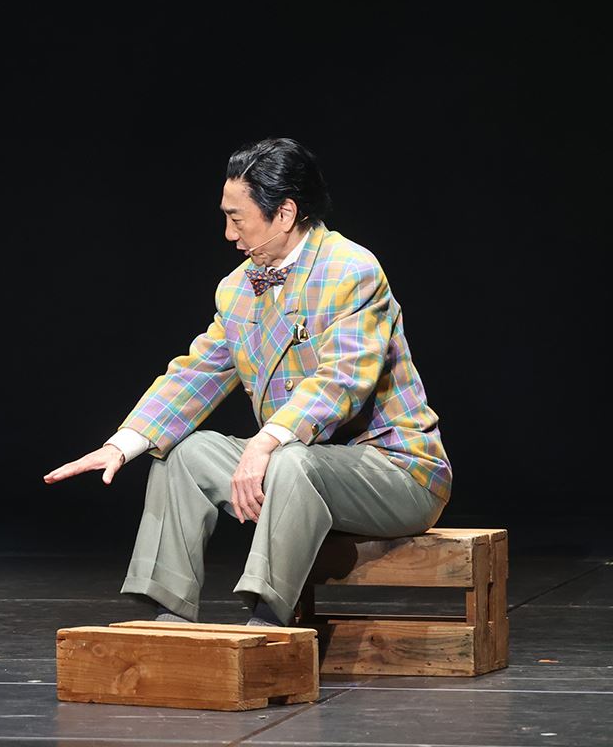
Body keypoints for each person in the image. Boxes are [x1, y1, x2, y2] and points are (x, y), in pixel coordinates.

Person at [45, 137, 450, 627]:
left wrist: (264, 444)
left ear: (284, 213)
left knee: (292, 460)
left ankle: (267, 622)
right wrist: (122, 444)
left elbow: (343, 379)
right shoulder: (237, 288)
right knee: (184, 454)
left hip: (392, 471)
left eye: (237, 219)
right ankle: (168, 615)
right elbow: (197, 373)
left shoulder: (352, 269)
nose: (228, 233)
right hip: (296, 465)